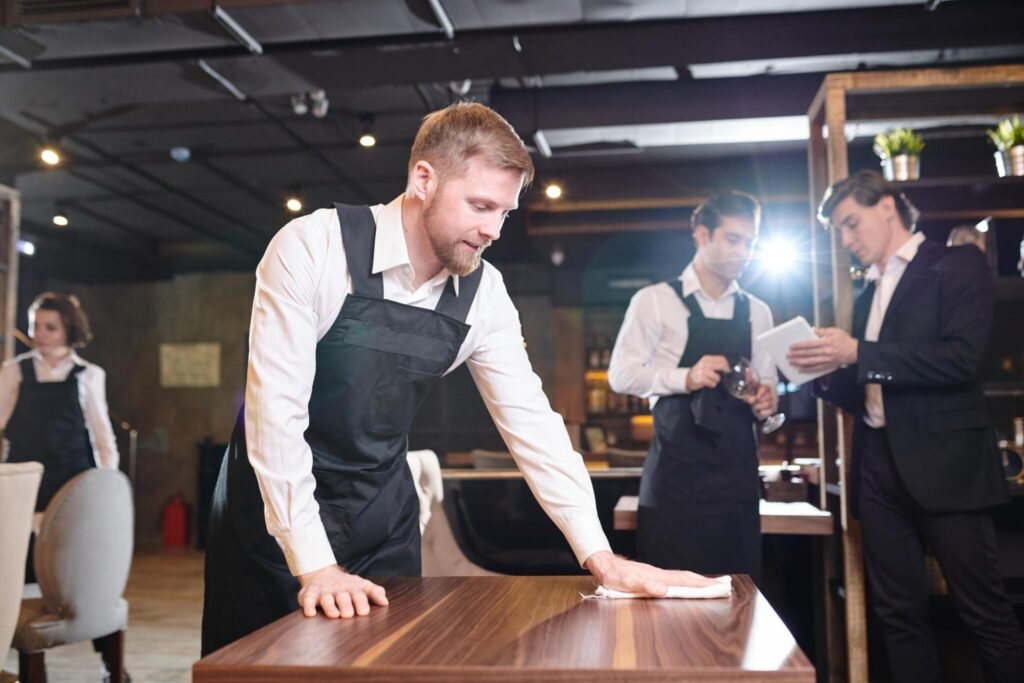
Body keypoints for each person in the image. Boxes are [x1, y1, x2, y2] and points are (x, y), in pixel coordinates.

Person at [201, 102, 716, 655]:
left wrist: (600, 557)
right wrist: (317, 565)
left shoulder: (484, 294)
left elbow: (533, 425)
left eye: (505, 213)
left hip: (380, 515)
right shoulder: (312, 248)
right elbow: (275, 417)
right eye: (480, 206)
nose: (493, 229)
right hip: (273, 517)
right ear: (424, 178)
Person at [788, 170, 1024, 683]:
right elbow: (875, 384)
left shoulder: (957, 264)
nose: (846, 241)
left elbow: (960, 362)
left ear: (888, 207)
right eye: (840, 232)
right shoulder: (870, 292)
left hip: (949, 469)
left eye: (851, 224)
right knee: (898, 617)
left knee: (983, 612)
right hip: (878, 471)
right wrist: (822, 373)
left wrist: (858, 351)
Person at [607, 191, 777, 584]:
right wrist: (686, 376)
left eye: (750, 243)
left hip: (736, 483)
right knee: (668, 605)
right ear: (702, 236)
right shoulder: (654, 301)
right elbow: (621, 374)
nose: (744, 252)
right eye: (733, 240)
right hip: (675, 483)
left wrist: (767, 397)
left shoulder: (758, 311)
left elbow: (766, 385)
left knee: (738, 600)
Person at [0, 292, 120, 510]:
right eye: (35, 326)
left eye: (50, 328)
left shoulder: (89, 374)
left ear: (68, 329)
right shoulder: (13, 370)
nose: (40, 334)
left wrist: (107, 484)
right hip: (23, 477)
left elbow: (102, 438)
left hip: (71, 480)